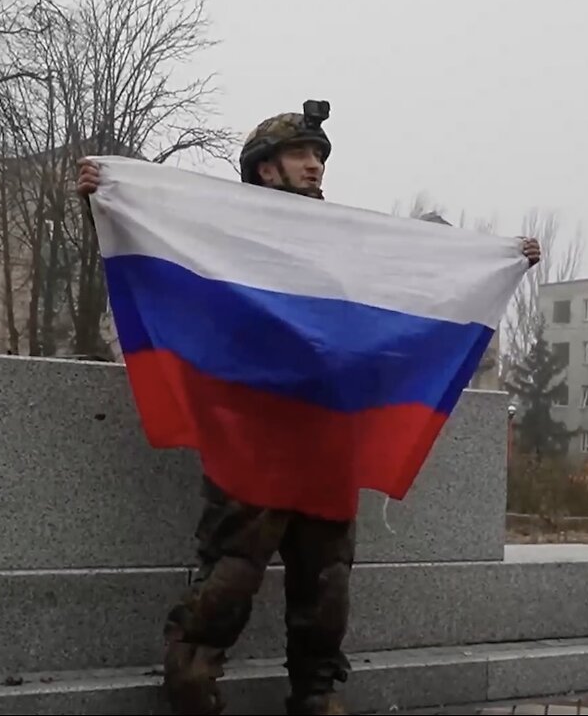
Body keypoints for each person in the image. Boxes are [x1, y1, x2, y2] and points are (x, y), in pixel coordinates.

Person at [76, 102, 541, 716]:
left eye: (319, 156)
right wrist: (104, 199)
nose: (315, 166)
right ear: (265, 169)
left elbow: (418, 271)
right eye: (302, 154)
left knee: (327, 580)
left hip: (327, 433)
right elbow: (158, 238)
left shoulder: (346, 244)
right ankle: (190, 676)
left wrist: (502, 258)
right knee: (233, 568)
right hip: (253, 432)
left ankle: (316, 695)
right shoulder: (227, 229)